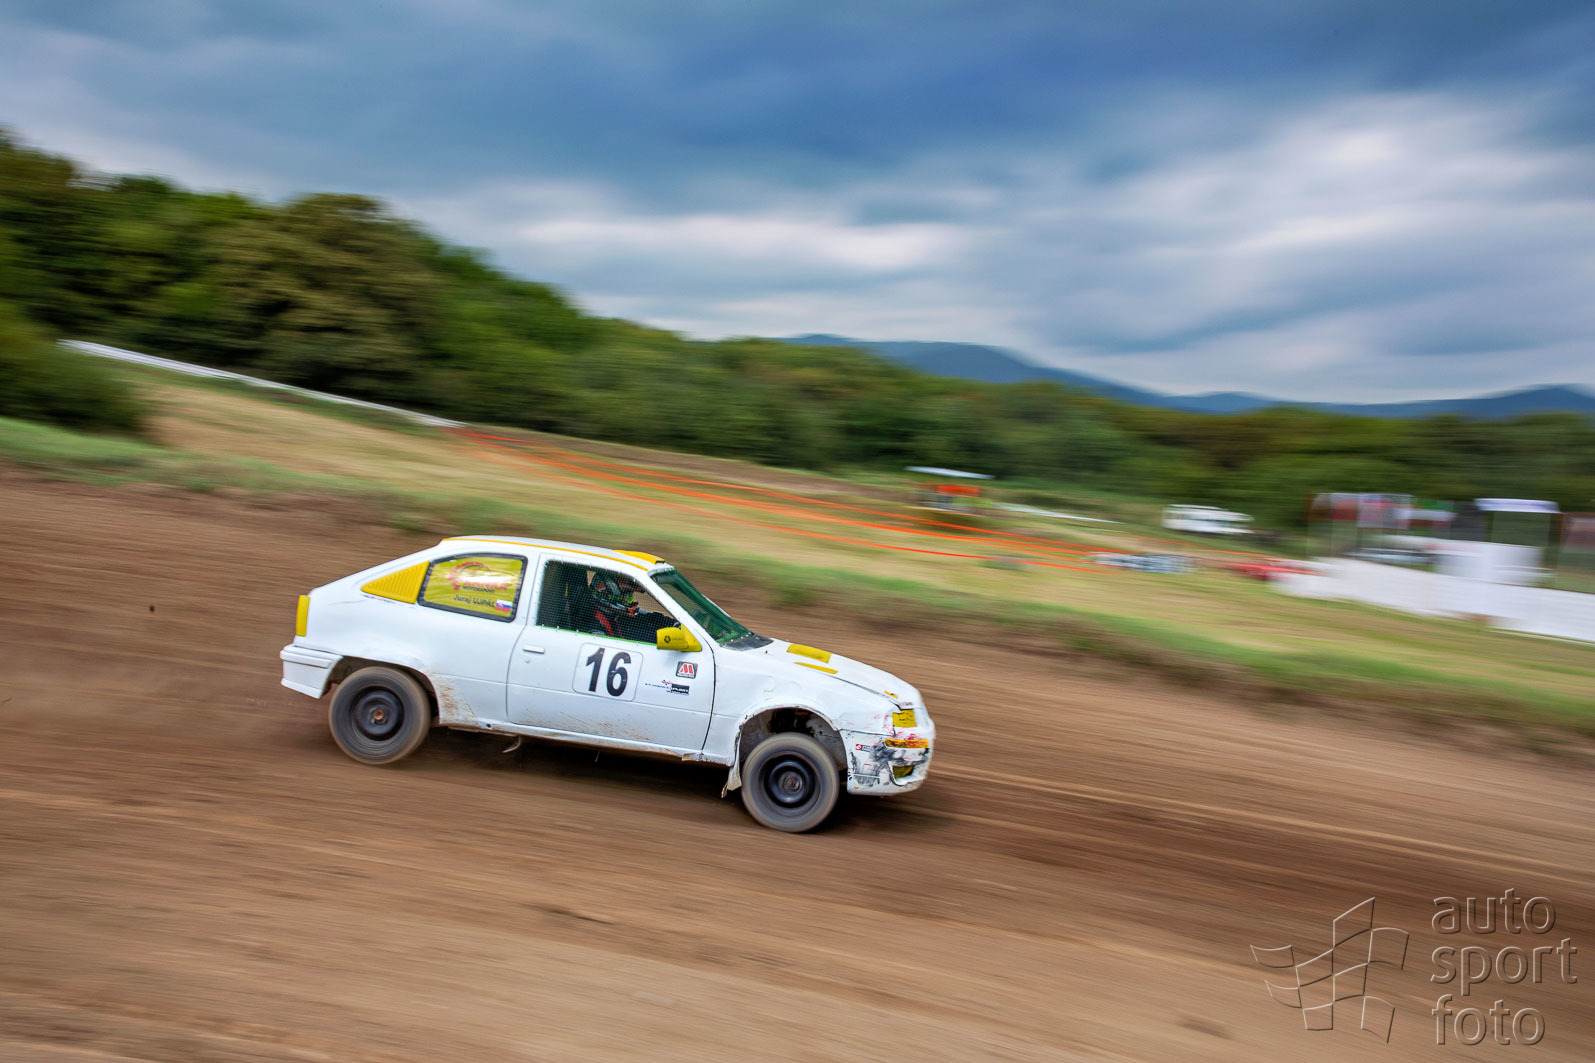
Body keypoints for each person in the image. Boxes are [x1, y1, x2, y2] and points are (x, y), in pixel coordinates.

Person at [588, 572, 673, 643]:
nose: (630, 602)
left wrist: (673, 624)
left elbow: (650, 617)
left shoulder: (616, 615)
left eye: (630, 597)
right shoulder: (595, 627)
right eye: (627, 597)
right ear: (609, 597)